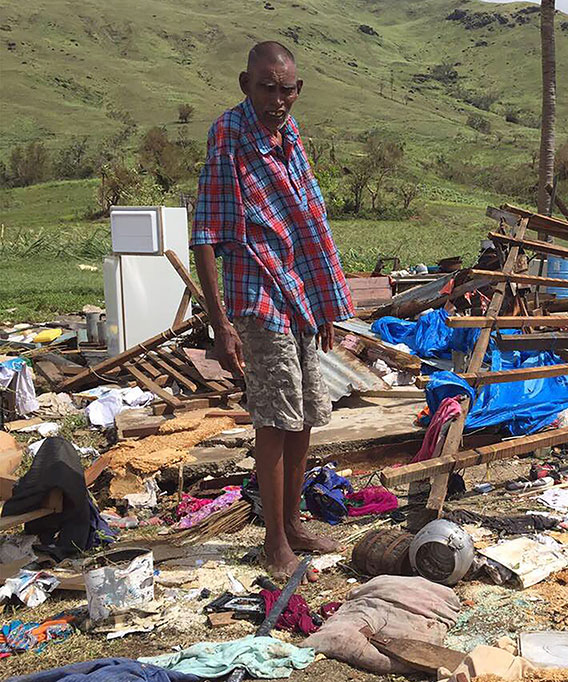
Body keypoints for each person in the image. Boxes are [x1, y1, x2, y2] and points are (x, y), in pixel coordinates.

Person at [191, 41, 353, 580]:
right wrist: (221, 325)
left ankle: (295, 520)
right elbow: (206, 235)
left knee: (306, 410)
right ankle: (275, 541)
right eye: (267, 87)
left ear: (298, 90)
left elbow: (308, 222)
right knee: (275, 416)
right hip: (256, 292)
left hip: (299, 293)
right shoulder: (230, 134)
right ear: (245, 84)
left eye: (286, 90)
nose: (277, 99)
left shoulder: (290, 135)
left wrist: (325, 302)